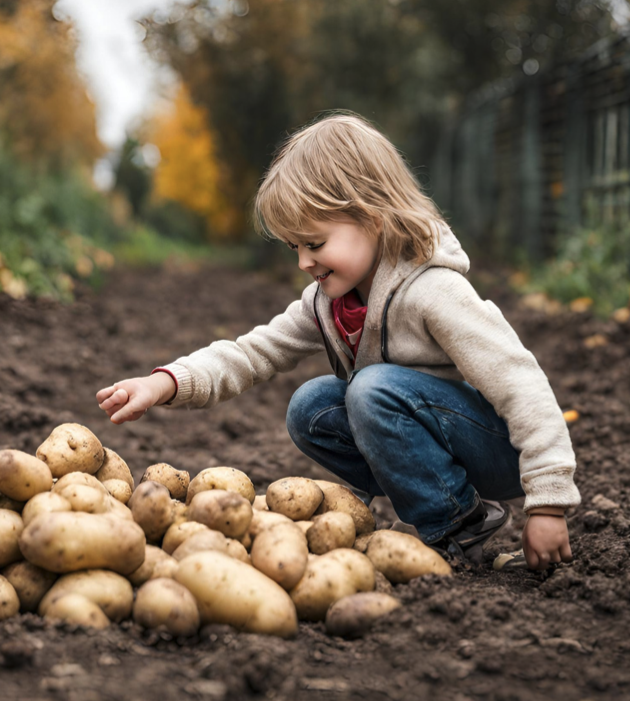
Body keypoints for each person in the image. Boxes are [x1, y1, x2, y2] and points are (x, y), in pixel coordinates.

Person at [95, 112, 577, 570]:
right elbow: (251, 352)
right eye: (294, 248)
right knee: (312, 405)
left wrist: (548, 504)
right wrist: (164, 383)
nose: (304, 261)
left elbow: (519, 379)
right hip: (434, 442)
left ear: (373, 217)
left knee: (369, 388)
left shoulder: (435, 292)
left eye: (315, 243)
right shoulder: (325, 302)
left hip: (497, 449)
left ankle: (456, 524)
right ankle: (454, 509)